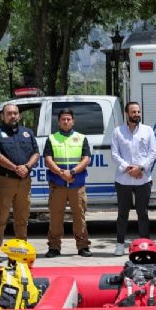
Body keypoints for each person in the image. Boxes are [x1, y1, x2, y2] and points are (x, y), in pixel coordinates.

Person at [0, 103, 40, 263]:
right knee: (1, 217)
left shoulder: (27, 132)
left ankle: (20, 250)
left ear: (19, 115)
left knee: (22, 218)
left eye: (15, 113)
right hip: (4, 180)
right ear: (3, 116)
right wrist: (16, 168)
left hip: (24, 181)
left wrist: (27, 166)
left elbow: (36, 153)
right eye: (9, 113)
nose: (13, 116)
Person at [110, 101, 156, 256]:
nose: (137, 114)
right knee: (122, 213)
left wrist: (140, 168)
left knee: (142, 213)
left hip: (143, 178)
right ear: (127, 114)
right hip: (123, 179)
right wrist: (128, 168)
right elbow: (114, 154)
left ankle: (145, 244)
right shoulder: (118, 131)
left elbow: (153, 153)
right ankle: (119, 244)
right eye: (133, 112)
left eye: (138, 112)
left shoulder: (148, 130)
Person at [44, 108, 93, 258]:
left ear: (73, 121)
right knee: (55, 217)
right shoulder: (52, 138)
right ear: (59, 122)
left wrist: (71, 172)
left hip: (76, 184)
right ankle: (54, 247)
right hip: (57, 184)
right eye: (63, 119)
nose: (66, 121)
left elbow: (86, 159)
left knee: (79, 216)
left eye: (68, 119)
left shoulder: (81, 138)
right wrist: (61, 173)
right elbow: (47, 159)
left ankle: (83, 246)